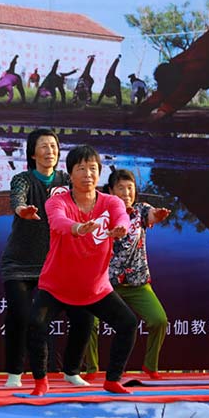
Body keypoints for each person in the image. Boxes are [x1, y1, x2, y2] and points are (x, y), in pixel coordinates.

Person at [26, 144, 139, 396]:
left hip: (95, 287)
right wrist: (78, 228)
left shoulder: (110, 201)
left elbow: (121, 215)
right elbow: (58, 222)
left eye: (93, 168)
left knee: (128, 323)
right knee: (36, 324)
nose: (88, 174)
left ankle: (113, 379)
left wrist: (121, 227)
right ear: (70, 174)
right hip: (56, 285)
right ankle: (41, 382)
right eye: (81, 168)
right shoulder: (58, 201)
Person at [0, 129, 72, 388]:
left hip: (54, 264)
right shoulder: (23, 179)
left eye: (53, 146)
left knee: (70, 317)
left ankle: (69, 371)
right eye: (44, 146)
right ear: (33, 153)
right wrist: (23, 210)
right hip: (19, 263)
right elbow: (16, 199)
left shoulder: (66, 181)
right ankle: (14, 374)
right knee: (19, 316)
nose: (50, 151)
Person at [102, 168, 171, 379]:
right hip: (106, 283)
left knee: (159, 320)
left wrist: (157, 216)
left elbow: (152, 214)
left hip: (137, 282)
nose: (126, 193)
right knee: (89, 322)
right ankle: (91, 370)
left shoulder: (141, 210)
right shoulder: (102, 213)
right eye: (120, 188)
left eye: (130, 188)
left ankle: (150, 365)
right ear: (110, 191)